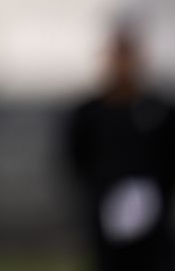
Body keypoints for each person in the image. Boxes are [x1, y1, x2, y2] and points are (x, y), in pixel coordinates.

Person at [66, 14, 175, 271]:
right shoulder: (89, 112)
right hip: (105, 209)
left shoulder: (158, 111)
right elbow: (77, 156)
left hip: (154, 215)